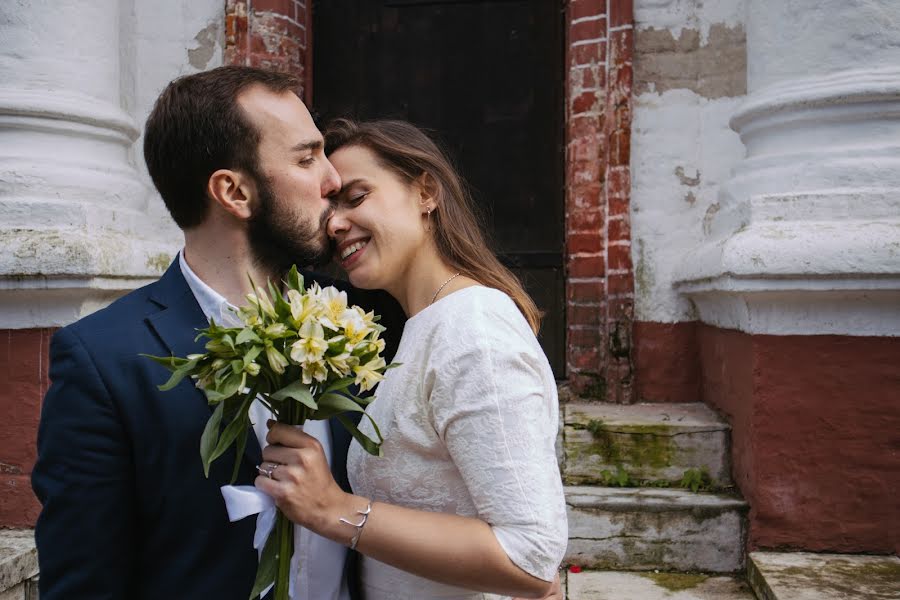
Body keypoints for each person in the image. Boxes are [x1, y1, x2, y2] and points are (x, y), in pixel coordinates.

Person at [31, 66, 404, 599]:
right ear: (234, 192)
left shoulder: (363, 318)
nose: (333, 179)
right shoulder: (104, 362)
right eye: (306, 158)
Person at [254, 119, 568, 600]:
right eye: (330, 208)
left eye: (356, 198)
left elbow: (529, 556)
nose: (335, 223)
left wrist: (334, 510)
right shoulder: (418, 325)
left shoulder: (474, 331)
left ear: (426, 192)